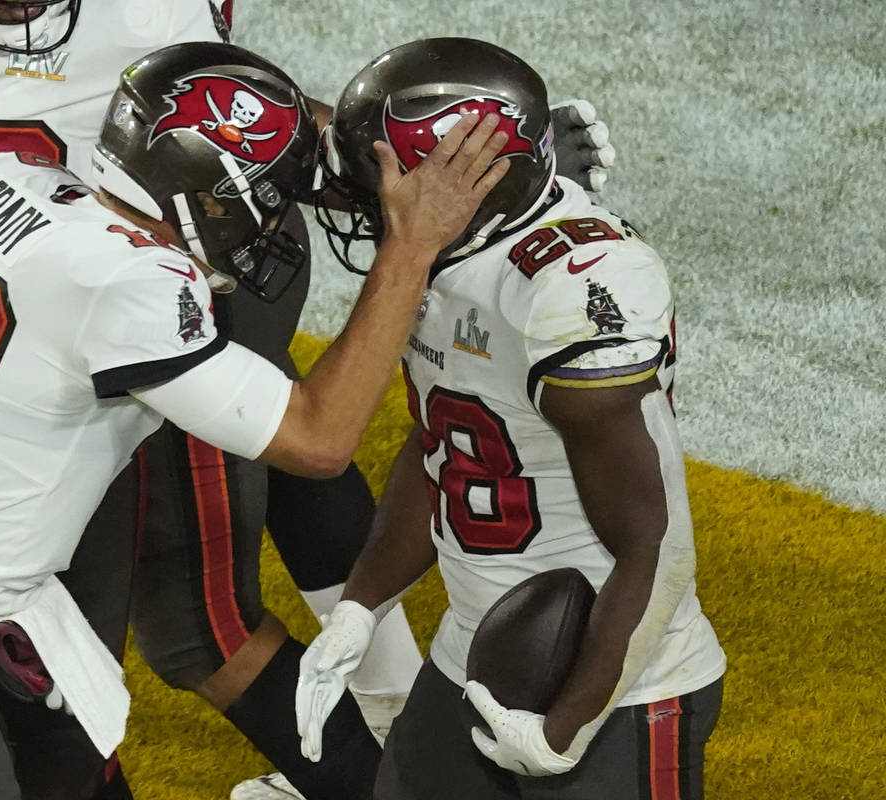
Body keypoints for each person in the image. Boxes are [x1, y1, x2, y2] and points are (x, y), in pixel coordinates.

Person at [0, 1, 611, 796]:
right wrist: (420, 239)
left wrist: (482, 162)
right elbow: (320, 439)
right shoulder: (135, 294)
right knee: (195, 628)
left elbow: (266, 132)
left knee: (70, 749)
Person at [295, 37, 726, 799]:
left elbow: (656, 546)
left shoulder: (571, 289)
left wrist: (567, 729)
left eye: (386, 184)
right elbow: (446, 446)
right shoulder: (450, 252)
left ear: (468, 186)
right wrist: (360, 607)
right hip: (480, 648)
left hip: (617, 682)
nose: (371, 205)